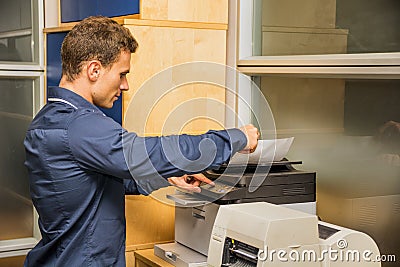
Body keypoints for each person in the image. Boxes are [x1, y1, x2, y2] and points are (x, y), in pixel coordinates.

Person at [23, 16, 259, 266]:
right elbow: (155, 152)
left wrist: (165, 176)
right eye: (122, 74)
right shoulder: (79, 126)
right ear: (94, 70)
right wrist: (236, 138)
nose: (124, 85)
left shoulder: (51, 118)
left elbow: (96, 183)